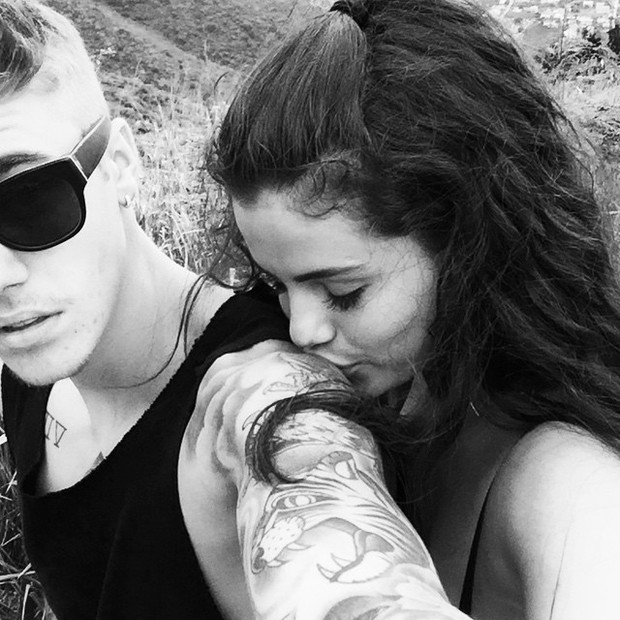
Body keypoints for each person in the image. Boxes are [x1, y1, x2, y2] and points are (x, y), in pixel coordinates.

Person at [0, 2, 472, 619]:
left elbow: (329, 524)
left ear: (119, 166)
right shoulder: (29, 354)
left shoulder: (270, 387)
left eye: (31, 199)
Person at [208, 0, 620, 617]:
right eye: (278, 286)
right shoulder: (415, 399)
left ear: (468, 245)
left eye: (344, 292)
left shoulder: (572, 482)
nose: (301, 329)